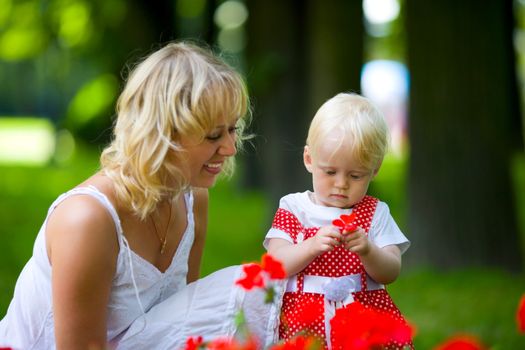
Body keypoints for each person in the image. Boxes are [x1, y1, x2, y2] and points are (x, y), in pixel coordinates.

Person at [0, 41, 252, 350]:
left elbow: (184, 324)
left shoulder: (193, 199)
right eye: (214, 135)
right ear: (161, 133)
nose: (229, 148)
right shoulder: (88, 219)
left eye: (232, 129)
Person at [264, 93, 414, 349]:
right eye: (330, 172)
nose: (341, 184)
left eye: (356, 175)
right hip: (304, 320)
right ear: (309, 159)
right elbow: (275, 264)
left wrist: (368, 250)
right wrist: (310, 246)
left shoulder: (375, 212)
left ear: (374, 169)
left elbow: (390, 272)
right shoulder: (294, 208)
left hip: (362, 322)